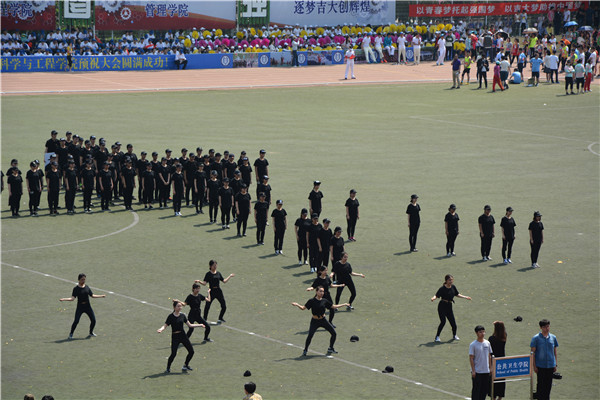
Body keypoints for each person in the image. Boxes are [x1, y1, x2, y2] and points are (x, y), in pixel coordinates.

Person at [292, 286, 349, 356]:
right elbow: (303, 308)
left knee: (334, 333)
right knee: (310, 335)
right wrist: (297, 304)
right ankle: (305, 349)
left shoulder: (324, 301)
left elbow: (333, 306)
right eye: (320, 291)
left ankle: (331, 348)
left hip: (323, 320)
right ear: (316, 292)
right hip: (315, 321)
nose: (322, 293)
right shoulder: (311, 301)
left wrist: (344, 304)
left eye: (323, 291)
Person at [157, 300, 204, 373]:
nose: (180, 307)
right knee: (173, 354)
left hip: (183, 335)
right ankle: (168, 368)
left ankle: (185, 365)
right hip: (175, 337)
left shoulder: (182, 316)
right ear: (174, 307)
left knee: (191, 351)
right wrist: (161, 329)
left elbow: (190, 325)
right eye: (178, 306)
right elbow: (165, 325)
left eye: (180, 306)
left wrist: (200, 325)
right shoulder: (170, 316)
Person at [59, 273, 106, 339]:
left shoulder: (87, 287)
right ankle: (71, 334)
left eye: (84, 279)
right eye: (82, 279)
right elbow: (72, 299)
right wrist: (64, 299)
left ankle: (91, 332)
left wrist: (101, 296)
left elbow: (92, 295)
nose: (83, 281)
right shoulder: (76, 289)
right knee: (76, 321)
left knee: (93, 320)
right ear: (79, 280)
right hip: (80, 307)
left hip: (88, 307)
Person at [431, 274, 471, 342]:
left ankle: (454, 335)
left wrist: (465, 297)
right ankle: (437, 337)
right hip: (442, 306)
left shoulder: (453, 287)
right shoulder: (442, 288)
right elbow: (436, 295)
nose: (451, 281)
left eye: (452, 280)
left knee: (453, 323)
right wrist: (433, 298)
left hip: (449, 306)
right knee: (443, 322)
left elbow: (457, 294)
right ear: (446, 281)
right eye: (449, 280)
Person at [530, 319, 558, 400]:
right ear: (541, 328)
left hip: (550, 365)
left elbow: (554, 351)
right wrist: (534, 366)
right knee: (540, 385)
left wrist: (555, 364)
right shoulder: (536, 338)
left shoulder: (553, 337)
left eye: (548, 326)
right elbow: (532, 353)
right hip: (540, 366)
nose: (547, 328)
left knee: (548, 386)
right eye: (545, 327)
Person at [469, 325, 492, 400]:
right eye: (480, 332)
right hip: (477, 371)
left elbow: (489, 356)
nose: (482, 333)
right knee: (476, 390)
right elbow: (471, 358)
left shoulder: (487, 343)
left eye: (483, 332)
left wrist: (490, 367)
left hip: (486, 371)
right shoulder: (473, 344)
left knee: (484, 390)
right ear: (476, 333)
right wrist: (473, 371)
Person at [489, 321, 507, 400]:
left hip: (494, 360)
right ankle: (500, 397)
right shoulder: (504, 337)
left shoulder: (492, 339)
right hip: (502, 360)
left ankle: (493, 397)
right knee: (501, 380)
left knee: (493, 380)